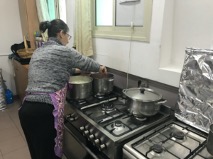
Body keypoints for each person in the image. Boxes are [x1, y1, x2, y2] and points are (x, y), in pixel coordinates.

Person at [18, 19, 107, 159]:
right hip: (44, 111)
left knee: (37, 153)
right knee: (48, 155)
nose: (68, 40)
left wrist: (75, 70)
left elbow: (55, 69)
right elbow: (85, 61)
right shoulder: (63, 51)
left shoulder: (39, 51)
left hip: (26, 109)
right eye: (68, 36)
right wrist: (100, 67)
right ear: (61, 33)